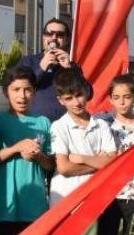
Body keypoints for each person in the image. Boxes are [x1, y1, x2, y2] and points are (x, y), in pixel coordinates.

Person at [0, 66, 54, 235]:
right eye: (16, 89)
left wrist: (38, 156)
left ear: (34, 92)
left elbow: (50, 165)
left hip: (35, 209)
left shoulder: (44, 123)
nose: (22, 95)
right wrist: (15, 148)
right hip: (4, 209)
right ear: (6, 92)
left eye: (27, 90)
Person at [49, 69, 116, 235]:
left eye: (79, 95)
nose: (76, 102)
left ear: (87, 92)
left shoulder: (102, 126)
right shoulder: (59, 126)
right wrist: (98, 163)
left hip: (93, 201)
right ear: (60, 100)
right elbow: (64, 168)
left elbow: (113, 163)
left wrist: (80, 158)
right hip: (65, 200)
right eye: (68, 98)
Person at [96, 74, 134, 235]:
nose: (122, 102)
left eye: (127, 97)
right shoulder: (104, 125)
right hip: (108, 194)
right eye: (116, 97)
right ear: (110, 99)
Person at [18, 18, 88, 121]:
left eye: (59, 35)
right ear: (43, 37)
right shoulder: (28, 62)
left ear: (67, 39)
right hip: (34, 125)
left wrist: (70, 69)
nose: (54, 38)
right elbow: (19, 89)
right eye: (49, 34)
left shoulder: (72, 66)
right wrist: (40, 68)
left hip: (66, 127)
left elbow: (89, 93)